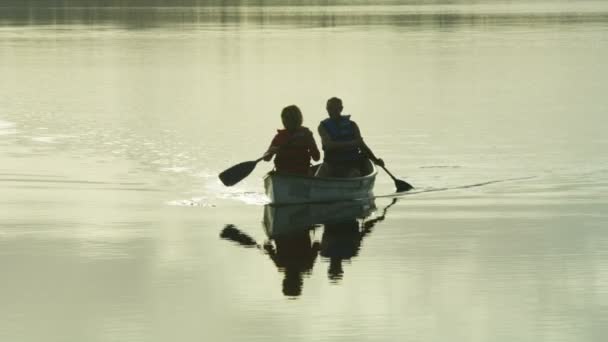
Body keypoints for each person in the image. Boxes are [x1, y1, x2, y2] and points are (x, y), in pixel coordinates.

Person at [315, 97, 384, 178]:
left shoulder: (352, 125)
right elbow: (329, 145)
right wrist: (352, 143)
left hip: (351, 163)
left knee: (355, 173)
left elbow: (362, 146)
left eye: (333, 108)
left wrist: (375, 160)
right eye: (329, 108)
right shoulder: (322, 126)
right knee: (323, 170)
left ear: (341, 109)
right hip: (332, 163)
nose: (330, 111)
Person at [263, 105, 320, 175]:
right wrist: (270, 151)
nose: (285, 121)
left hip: (302, 172)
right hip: (283, 173)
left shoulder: (306, 134)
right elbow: (266, 159)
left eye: (289, 118)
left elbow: (316, 157)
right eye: (284, 118)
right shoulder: (279, 136)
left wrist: (308, 144)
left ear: (297, 119)